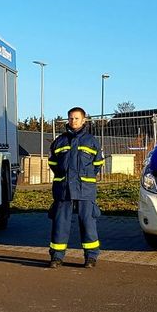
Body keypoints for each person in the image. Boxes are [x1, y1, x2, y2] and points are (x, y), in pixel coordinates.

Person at [47, 107, 105, 268]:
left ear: (84, 120)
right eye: (71, 118)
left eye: (77, 118)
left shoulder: (91, 141)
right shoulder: (59, 141)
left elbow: (97, 164)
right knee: (60, 224)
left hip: (85, 190)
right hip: (63, 189)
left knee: (88, 223)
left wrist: (85, 177)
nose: (73, 121)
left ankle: (91, 258)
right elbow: (52, 163)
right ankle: (56, 257)